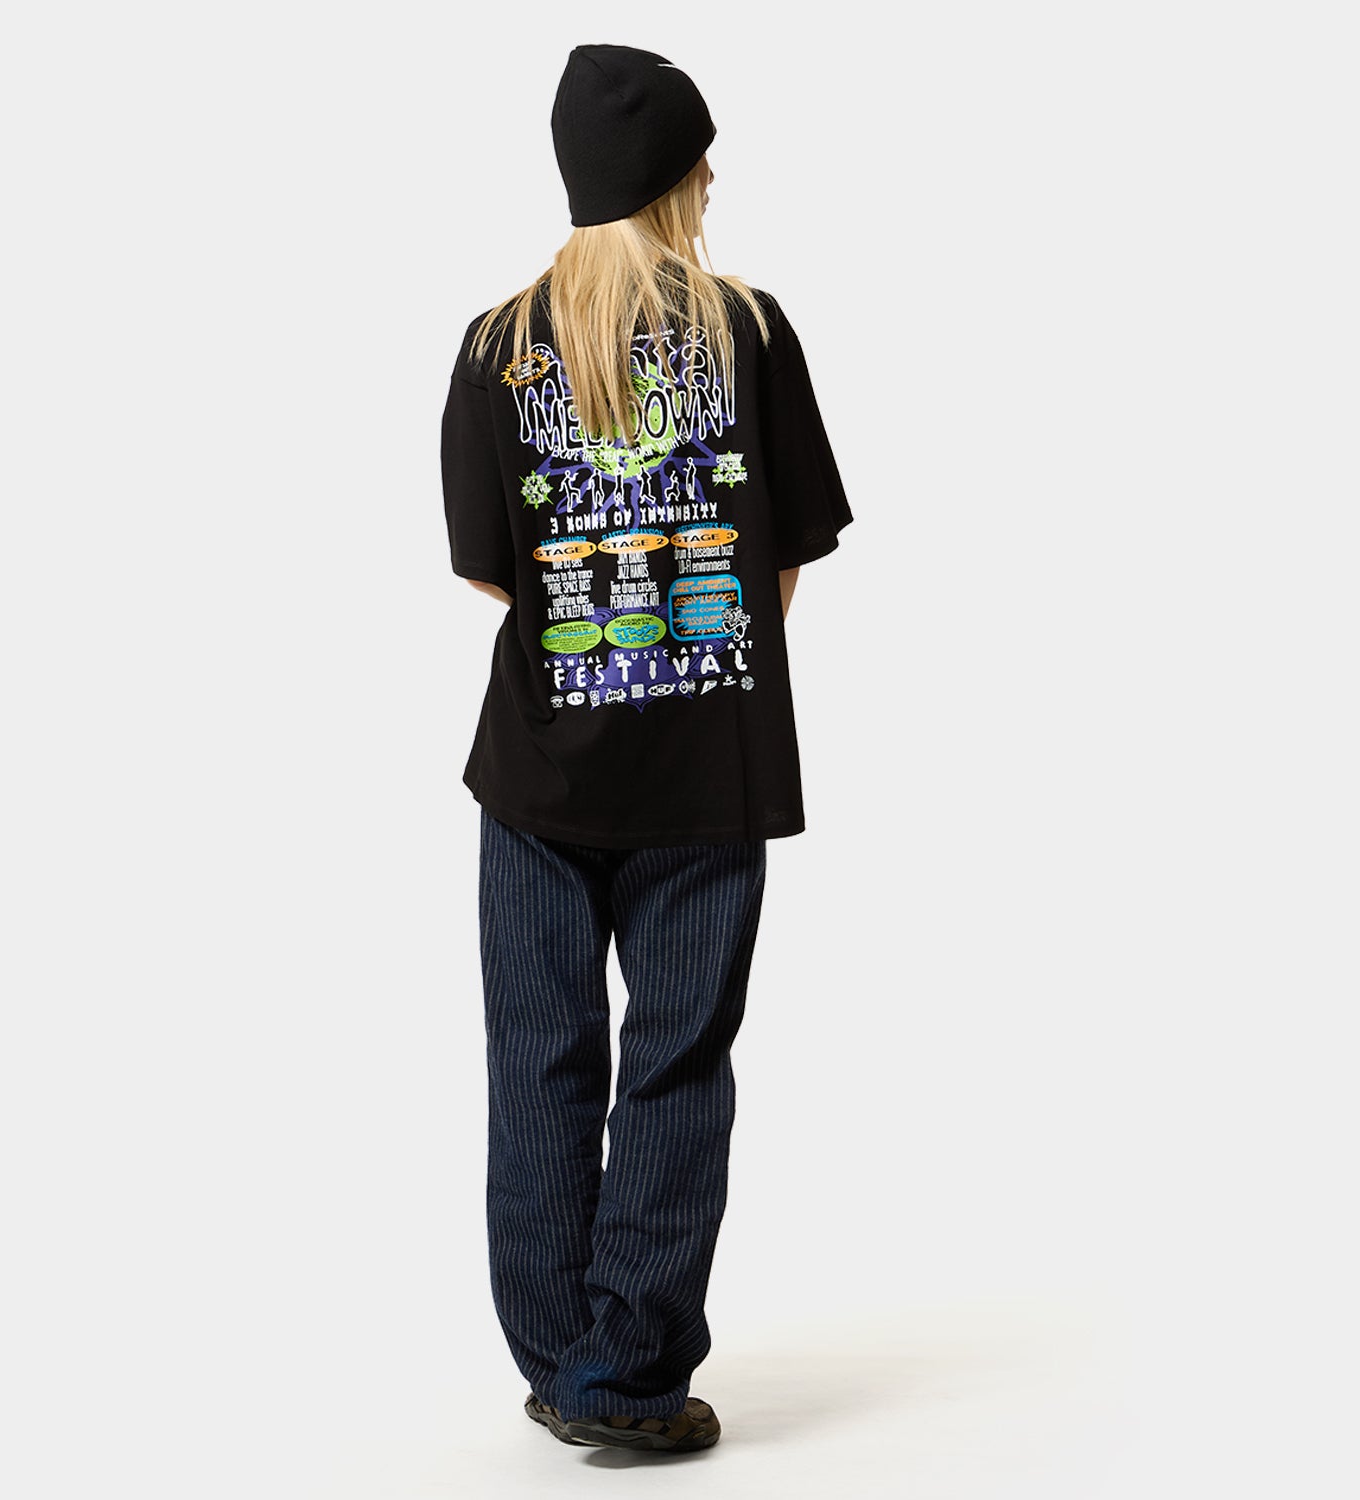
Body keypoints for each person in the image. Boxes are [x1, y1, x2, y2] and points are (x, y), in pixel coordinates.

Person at [439, 43, 852, 1453]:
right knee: (675, 1064)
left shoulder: (495, 347)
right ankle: (626, 1378)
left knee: (538, 1058)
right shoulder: (751, 333)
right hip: (705, 773)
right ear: (670, 177)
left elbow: (493, 570)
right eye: (701, 158)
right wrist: (692, 648)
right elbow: (783, 552)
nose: (714, 176)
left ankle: (567, 1363)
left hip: (538, 773)